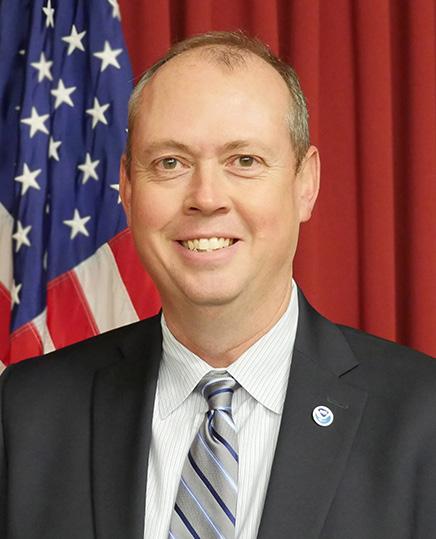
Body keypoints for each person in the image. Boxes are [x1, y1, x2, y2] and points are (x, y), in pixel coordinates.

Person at [1, 31, 435, 539]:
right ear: (128, 188)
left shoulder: (424, 420)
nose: (206, 198)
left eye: (244, 161)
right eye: (170, 163)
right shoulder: (25, 415)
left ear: (305, 183)